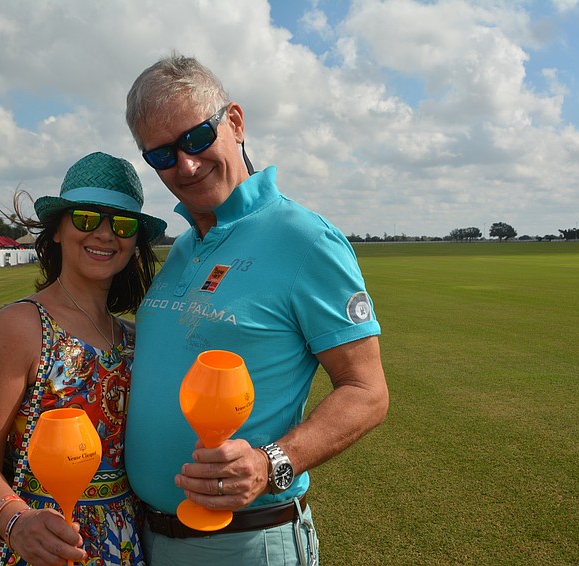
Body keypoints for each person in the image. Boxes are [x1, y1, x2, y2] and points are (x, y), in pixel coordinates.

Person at [124, 55, 389, 565]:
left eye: (197, 137)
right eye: (161, 155)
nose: (186, 165)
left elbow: (367, 392)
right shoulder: (181, 248)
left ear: (236, 122)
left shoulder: (305, 239)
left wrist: (271, 464)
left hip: (245, 542)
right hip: (149, 539)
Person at [0, 152, 166, 566]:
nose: (104, 234)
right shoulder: (21, 326)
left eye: (121, 224)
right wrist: (17, 523)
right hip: (35, 545)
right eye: (87, 218)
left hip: (125, 545)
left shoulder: (134, 337)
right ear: (56, 232)